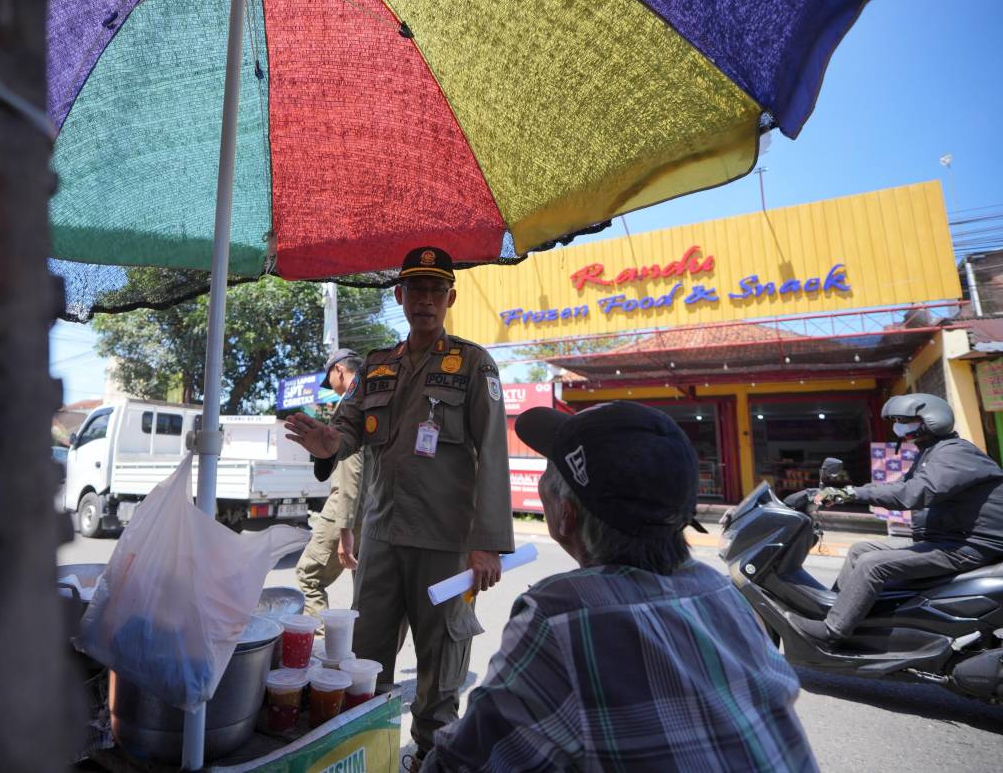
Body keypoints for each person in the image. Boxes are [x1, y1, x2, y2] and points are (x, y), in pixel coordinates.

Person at [423, 402, 818, 773]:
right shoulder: (720, 591)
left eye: (549, 469)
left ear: (565, 514)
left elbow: (463, 762)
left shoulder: (563, 615)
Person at [285, 246, 513, 770]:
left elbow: (494, 453)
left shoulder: (474, 363)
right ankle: (371, 756)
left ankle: (432, 758)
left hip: (447, 545)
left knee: (440, 665)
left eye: (436, 290)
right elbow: (344, 431)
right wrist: (327, 444)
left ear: (451, 298)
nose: (426, 300)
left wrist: (487, 543)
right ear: (399, 296)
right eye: (416, 290)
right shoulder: (376, 366)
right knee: (365, 660)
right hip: (382, 537)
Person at [791, 393, 1003, 647]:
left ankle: (832, 631)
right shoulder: (932, 453)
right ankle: (839, 610)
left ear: (932, 420)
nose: (899, 427)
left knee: (872, 564)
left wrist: (852, 493)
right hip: (946, 539)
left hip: (968, 546)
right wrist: (842, 493)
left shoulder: (956, 453)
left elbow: (914, 493)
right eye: (897, 421)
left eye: (905, 420)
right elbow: (899, 486)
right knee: (861, 550)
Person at [295, 348, 366, 620]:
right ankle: (360, 642)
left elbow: (351, 470)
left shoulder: (349, 405)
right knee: (365, 590)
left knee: (308, 576)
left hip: (347, 509)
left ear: (339, 370)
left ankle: (323, 640)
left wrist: (345, 528)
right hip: (374, 512)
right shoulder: (374, 400)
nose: (332, 387)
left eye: (330, 381)